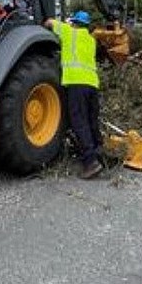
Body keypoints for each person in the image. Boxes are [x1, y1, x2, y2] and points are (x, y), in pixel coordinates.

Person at [45, 10, 103, 179]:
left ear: (75, 23)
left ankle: (91, 162)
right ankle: (99, 153)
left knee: (79, 122)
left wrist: (48, 23)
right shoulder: (91, 40)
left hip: (76, 83)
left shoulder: (68, 32)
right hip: (92, 84)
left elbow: (49, 22)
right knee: (92, 120)